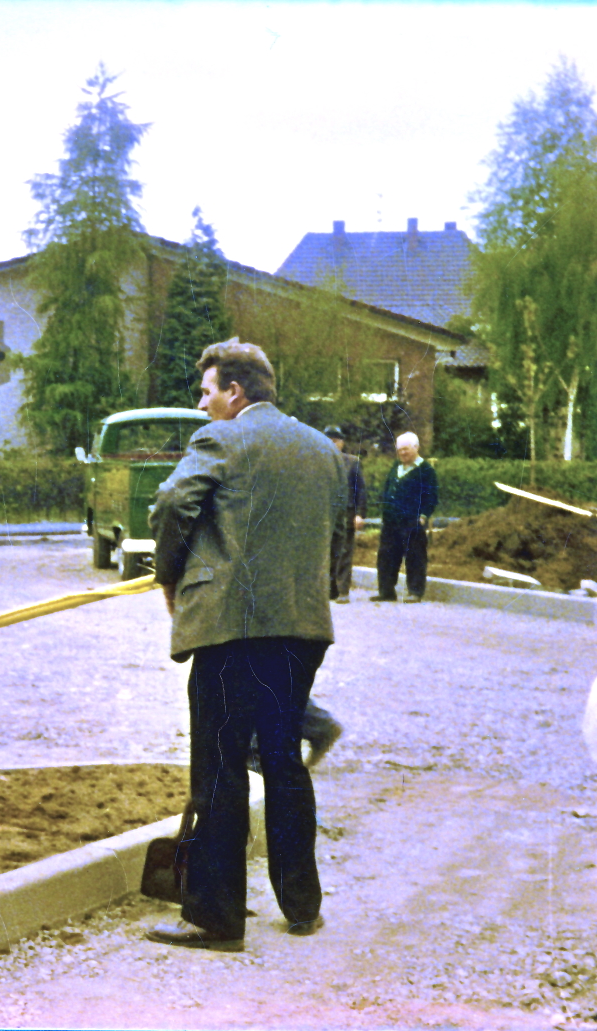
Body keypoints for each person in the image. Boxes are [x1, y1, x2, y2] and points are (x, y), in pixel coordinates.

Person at [146, 339, 344, 952]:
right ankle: (302, 906)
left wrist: (169, 577)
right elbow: (336, 534)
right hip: (301, 628)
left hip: (231, 628)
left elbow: (172, 503)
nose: (202, 404)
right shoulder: (322, 450)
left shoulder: (220, 440)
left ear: (235, 392)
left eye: (207, 392)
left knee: (221, 767)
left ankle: (215, 916)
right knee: (284, 761)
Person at [372, 430, 438, 604]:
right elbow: (387, 489)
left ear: (416, 448)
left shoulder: (426, 470)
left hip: (412, 521)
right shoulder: (396, 467)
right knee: (386, 556)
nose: (402, 453)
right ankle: (386, 591)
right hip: (391, 521)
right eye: (399, 450)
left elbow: (431, 496)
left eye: (406, 449)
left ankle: (415, 591)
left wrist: (423, 515)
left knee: (415, 557)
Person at [323, 426, 367, 603]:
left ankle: (342, 591)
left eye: (335, 441)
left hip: (346, 513)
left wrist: (359, 514)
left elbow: (360, 491)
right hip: (325, 513)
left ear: (341, 443)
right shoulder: (319, 463)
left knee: (344, 551)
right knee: (326, 552)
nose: (332, 444)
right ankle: (329, 589)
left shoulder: (352, 462)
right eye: (328, 441)